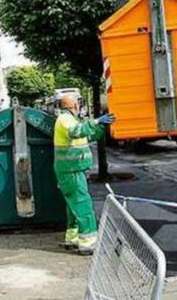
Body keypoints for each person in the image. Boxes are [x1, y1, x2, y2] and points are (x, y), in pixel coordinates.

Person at [53, 93, 115, 255]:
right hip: (71, 169)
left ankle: (72, 239)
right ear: (74, 106)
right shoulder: (65, 119)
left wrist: (101, 127)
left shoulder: (70, 119)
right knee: (82, 204)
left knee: (73, 206)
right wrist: (96, 121)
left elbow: (87, 136)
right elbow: (77, 132)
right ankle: (88, 243)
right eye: (78, 104)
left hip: (72, 169)